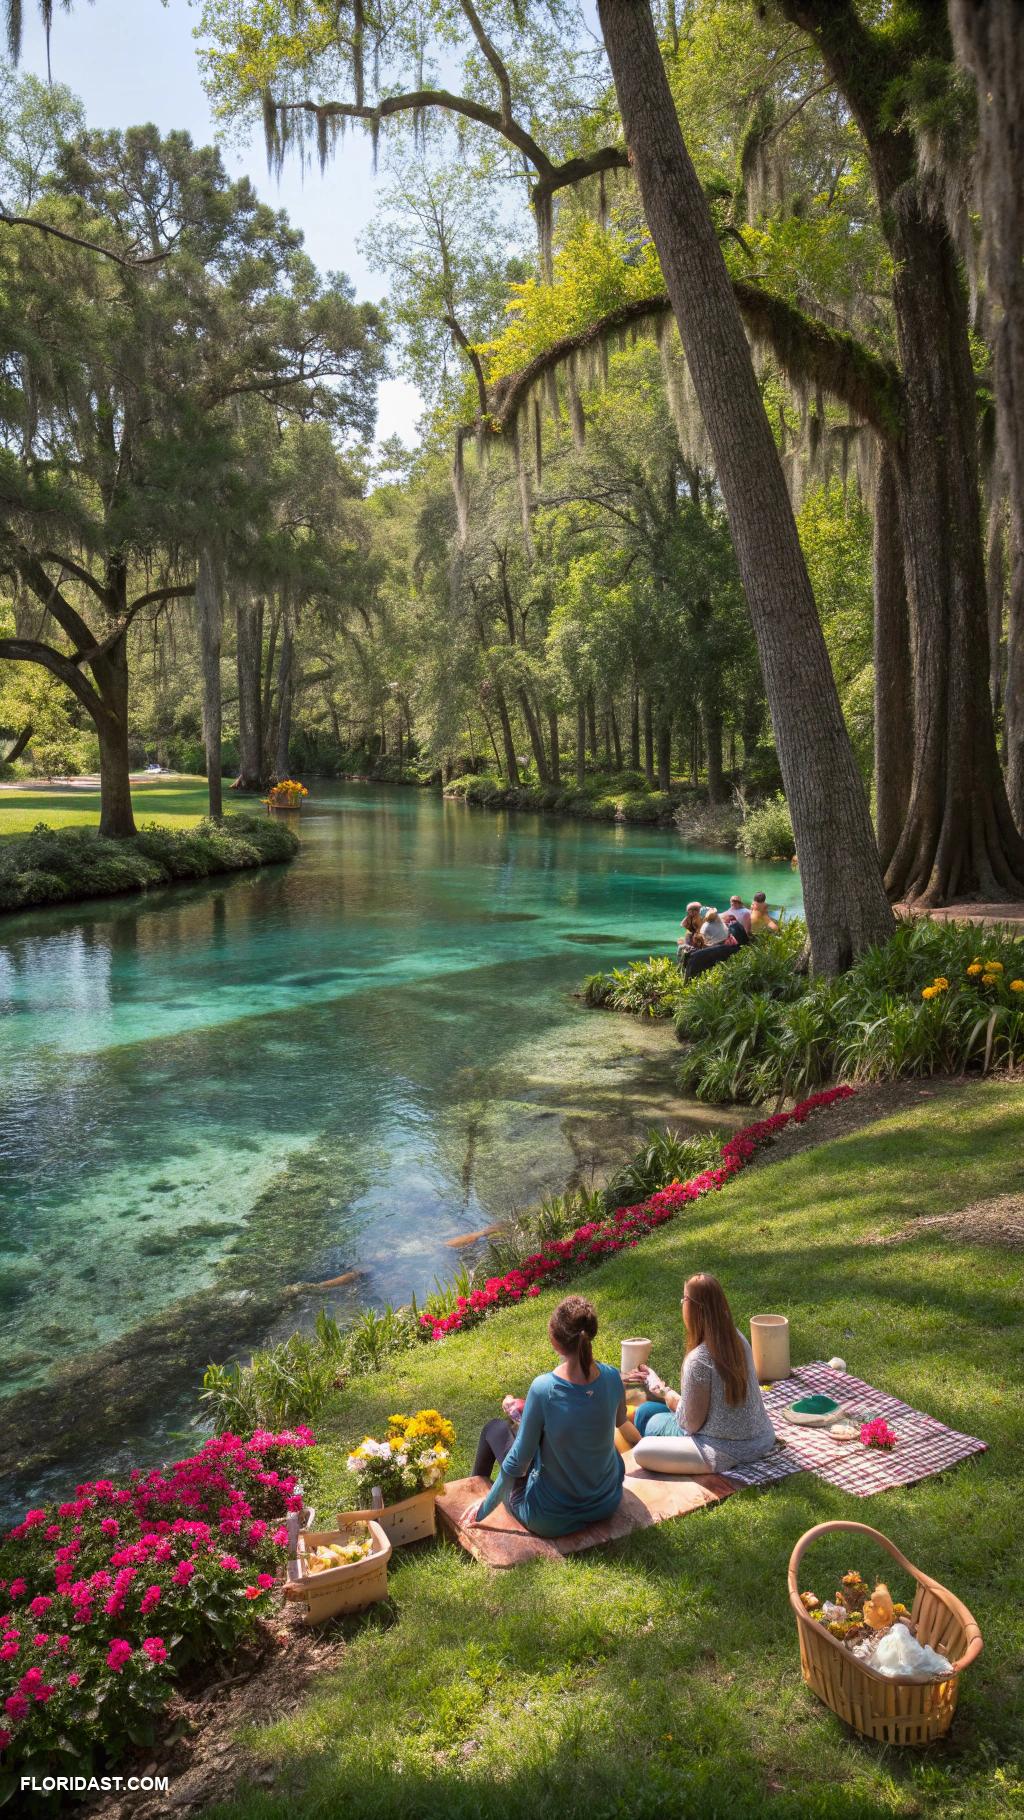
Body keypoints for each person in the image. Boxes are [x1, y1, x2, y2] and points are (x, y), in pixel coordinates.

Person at [463, 1295, 626, 1536]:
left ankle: (474, 1494)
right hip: (605, 1503)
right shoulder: (612, 1376)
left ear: (554, 1339)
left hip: (550, 1517)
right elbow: (616, 1421)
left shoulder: (544, 1389)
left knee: (495, 1429)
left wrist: (484, 1510)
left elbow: (516, 1465)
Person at [630, 1273, 776, 1473]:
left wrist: (666, 1393)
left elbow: (690, 1424)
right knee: (646, 1411)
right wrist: (662, 1391)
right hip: (761, 1440)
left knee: (647, 1429)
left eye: (684, 1299)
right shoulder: (738, 1338)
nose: (682, 1304)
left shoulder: (699, 1359)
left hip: (722, 1450)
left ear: (693, 1307)